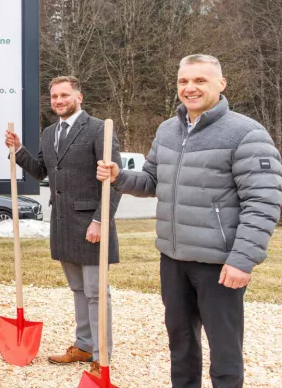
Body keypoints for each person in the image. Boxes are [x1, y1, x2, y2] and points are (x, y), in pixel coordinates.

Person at [97, 54, 282, 387]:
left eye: (200, 80)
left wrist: (242, 260)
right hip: (173, 260)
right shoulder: (168, 130)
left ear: (221, 84)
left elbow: (263, 202)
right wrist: (119, 176)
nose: (190, 88)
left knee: (224, 353)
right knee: (181, 346)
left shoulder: (246, 133)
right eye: (184, 81)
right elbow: (152, 180)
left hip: (219, 264)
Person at [4, 75, 122, 379]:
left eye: (64, 95)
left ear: (79, 97)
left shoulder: (98, 129)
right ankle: (83, 345)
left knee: (96, 292)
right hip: (63, 224)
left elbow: (115, 183)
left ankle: (101, 356)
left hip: (91, 224)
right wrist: (18, 151)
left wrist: (99, 220)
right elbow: (42, 170)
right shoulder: (49, 133)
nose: (58, 101)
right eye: (54, 96)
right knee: (78, 290)